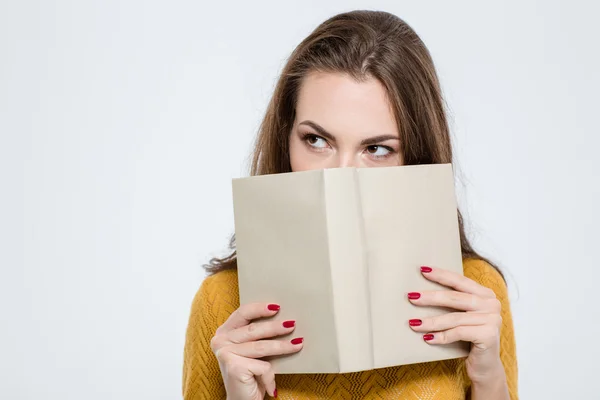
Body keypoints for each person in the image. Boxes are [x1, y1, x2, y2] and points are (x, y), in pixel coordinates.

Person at [183, 9, 518, 400]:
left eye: (376, 149)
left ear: (416, 157)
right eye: (317, 141)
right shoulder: (222, 303)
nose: (340, 174)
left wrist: (488, 377)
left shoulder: (476, 294)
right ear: (286, 137)